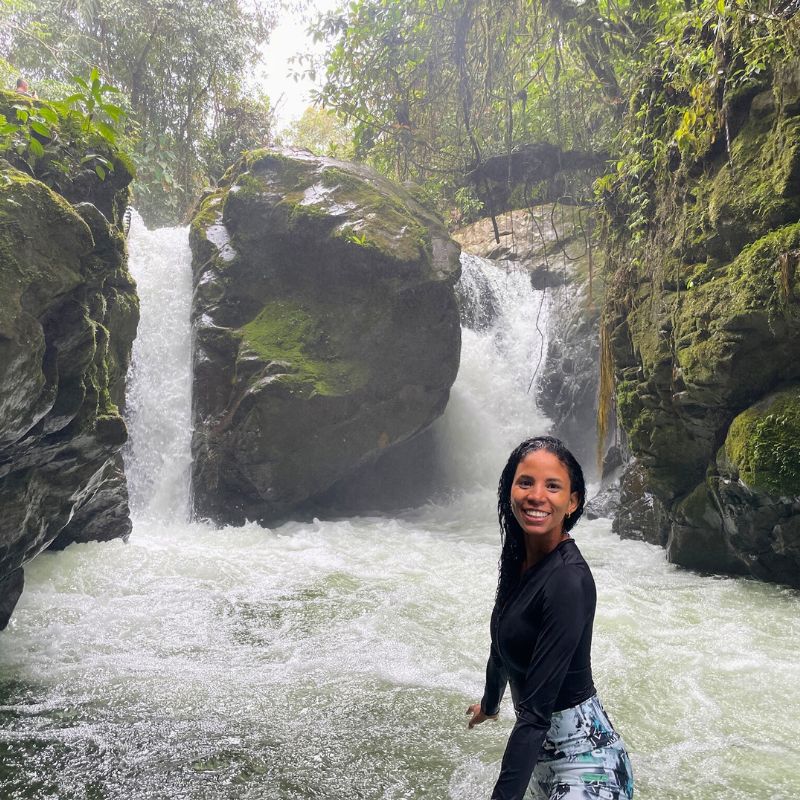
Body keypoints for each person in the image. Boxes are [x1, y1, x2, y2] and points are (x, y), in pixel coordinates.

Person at [467, 436, 634, 800]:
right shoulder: (519, 558)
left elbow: (536, 715)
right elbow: (502, 646)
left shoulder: (567, 581)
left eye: (553, 486)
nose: (536, 495)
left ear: (572, 501)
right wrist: (490, 705)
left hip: (588, 767)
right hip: (543, 764)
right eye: (525, 482)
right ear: (509, 489)